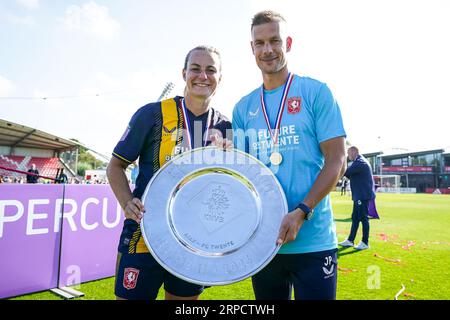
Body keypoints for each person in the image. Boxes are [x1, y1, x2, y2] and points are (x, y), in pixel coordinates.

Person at [232, 10, 347, 300]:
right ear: (252, 48)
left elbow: (337, 159)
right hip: (264, 244)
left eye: (275, 40)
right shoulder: (243, 108)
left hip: (314, 242)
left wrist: (302, 211)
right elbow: (242, 177)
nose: (268, 49)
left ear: (288, 43)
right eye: (260, 43)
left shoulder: (316, 92)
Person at [106, 45, 232, 300]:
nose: (202, 76)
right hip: (144, 235)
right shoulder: (152, 114)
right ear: (184, 72)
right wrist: (126, 202)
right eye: (195, 69)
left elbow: (227, 188)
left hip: (193, 242)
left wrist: (229, 162)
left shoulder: (225, 126)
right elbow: (115, 166)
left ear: (220, 77)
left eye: (211, 70)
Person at [339, 146, 376, 250]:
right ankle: (350, 240)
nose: (347, 155)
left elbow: (346, 172)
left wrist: (342, 163)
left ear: (354, 152)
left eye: (348, 153)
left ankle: (365, 242)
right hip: (360, 195)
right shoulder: (360, 161)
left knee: (363, 218)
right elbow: (350, 174)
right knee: (355, 218)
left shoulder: (360, 162)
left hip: (362, 195)